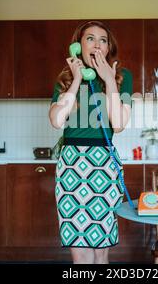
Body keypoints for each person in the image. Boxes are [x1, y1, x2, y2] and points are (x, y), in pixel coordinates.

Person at [48, 20, 133, 264]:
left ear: (108, 48)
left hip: (103, 165)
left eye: (103, 40)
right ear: (78, 45)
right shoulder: (64, 78)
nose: (97, 44)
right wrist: (76, 80)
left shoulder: (121, 77)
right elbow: (56, 120)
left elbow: (117, 124)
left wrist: (108, 80)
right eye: (90, 38)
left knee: (100, 248)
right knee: (79, 247)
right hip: (71, 166)